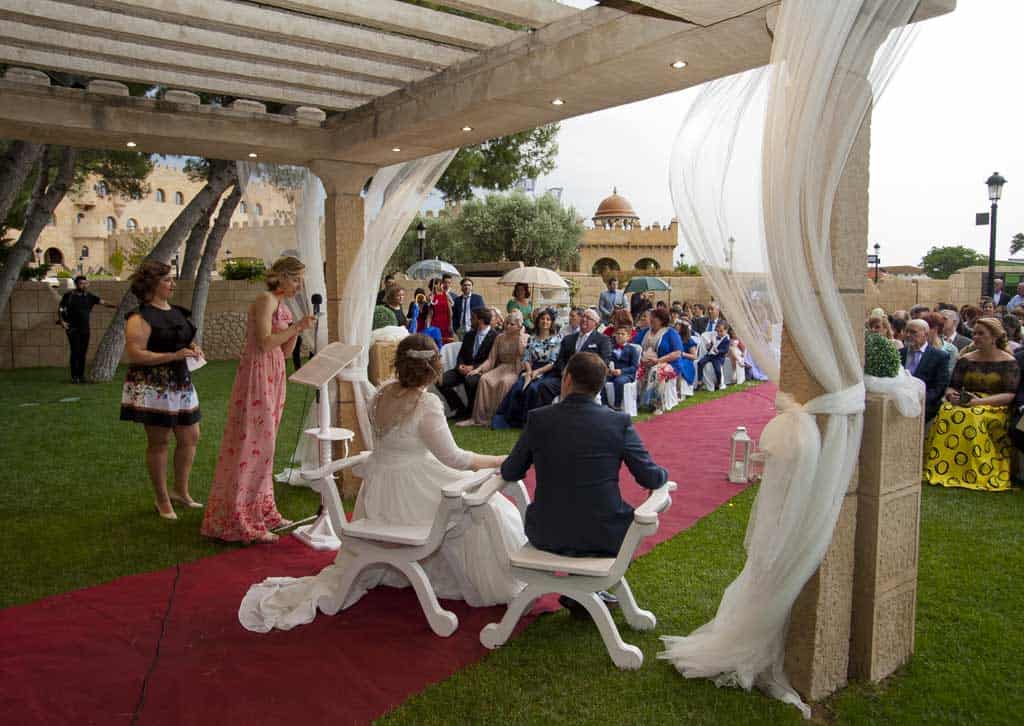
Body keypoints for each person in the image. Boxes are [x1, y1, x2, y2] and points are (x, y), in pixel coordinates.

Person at [239, 334, 527, 633]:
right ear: (434, 369)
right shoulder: (426, 404)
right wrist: (496, 459)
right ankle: (488, 580)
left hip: (379, 489)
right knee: (487, 506)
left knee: (472, 500)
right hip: (409, 491)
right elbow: (454, 458)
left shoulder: (382, 393)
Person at [500, 351, 668, 558]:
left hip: (547, 533)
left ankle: (574, 591)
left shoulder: (539, 419)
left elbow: (510, 471)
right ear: (600, 385)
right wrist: (664, 475)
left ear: (567, 379)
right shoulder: (618, 422)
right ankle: (580, 591)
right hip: (605, 535)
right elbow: (650, 476)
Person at [202, 257, 316, 543]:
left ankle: (263, 508)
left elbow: (285, 351)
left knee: (267, 444)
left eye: (301, 279)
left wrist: (297, 330)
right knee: (254, 442)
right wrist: (295, 326)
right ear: (280, 277)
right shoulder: (265, 300)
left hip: (275, 370)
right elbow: (264, 342)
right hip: (257, 370)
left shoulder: (284, 306)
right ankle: (240, 515)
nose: (299, 284)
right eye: (296, 278)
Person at [120, 261, 203, 520]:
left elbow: (184, 337)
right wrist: (174, 355)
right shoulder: (139, 317)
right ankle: (162, 497)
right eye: (167, 280)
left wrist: (194, 346)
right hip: (154, 385)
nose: (172, 283)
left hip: (180, 382)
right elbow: (135, 354)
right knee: (160, 441)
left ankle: (181, 491)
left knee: (191, 436)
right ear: (153, 284)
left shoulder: (177, 311)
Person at [924, 318, 1019, 491]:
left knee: (973, 416)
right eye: (974, 333)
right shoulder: (966, 359)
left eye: (981, 333)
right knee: (946, 411)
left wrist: (979, 401)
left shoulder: (1008, 362)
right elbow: (952, 386)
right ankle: (945, 467)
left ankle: (977, 470)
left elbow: (1010, 394)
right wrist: (952, 396)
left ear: (994, 337)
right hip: (967, 401)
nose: (975, 337)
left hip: (994, 406)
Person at [526, 308, 612, 411]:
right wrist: (565, 372)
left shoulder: (602, 340)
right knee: (544, 386)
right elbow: (560, 361)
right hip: (566, 378)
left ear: (596, 323)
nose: (584, 319)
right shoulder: (568, 339)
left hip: (587, 381)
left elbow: (603, 363)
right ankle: (545, 418)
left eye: (588, 318)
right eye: (583, 316)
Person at [459, 310, 528, 427]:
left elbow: (522, 354)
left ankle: (496, 418)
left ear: (519, 326)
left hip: (515, 369)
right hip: (501, 367)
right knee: (484, 379)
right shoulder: (500, 337)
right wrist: (478, 370)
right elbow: (491, 359)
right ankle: (477, 418)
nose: (508, 326)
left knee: (504, 382)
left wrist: (520, 335)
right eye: (507, 323)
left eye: (512, 324)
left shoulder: (525, 337)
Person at [495, 307, 561, 429]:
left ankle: (528, 422)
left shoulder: (557, 339)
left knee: (533, 389)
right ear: (538, 321)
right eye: (542, 319)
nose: (545, 321)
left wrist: (537, 372)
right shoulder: (532, 338)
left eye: (548, 319)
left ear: (551, 322)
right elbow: (526, 358)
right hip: (530, 368)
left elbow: (553, 362)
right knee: (518, 387)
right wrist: (530, 371)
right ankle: (512, 421)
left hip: (547, 371)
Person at [437, 307, 496, 420]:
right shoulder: (469, 335)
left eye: (472, 318)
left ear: (481, 320)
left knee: (470, 380)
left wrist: (473, 368)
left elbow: (492, 359)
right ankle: (460, 408)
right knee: (440, 381)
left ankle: (471, 412)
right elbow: (461, 354)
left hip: (481, 371)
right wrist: (460, 366)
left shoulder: (495, 337)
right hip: (463, 369)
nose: (470, 321)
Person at [57, 275, 114, 383]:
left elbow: (103, 302)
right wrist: (62, 321)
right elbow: (60, 308)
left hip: (85, 329)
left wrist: (117, 306)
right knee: (75, 352)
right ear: (76, 284)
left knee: (83, 353)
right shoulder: (69, 296)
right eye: (81, 283)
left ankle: (81, 376)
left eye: (85, 283)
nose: (83, 285)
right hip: (72, 328)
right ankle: (74, 377)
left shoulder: (89, 296)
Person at [635, 308, 686, 415]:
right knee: (636, 371)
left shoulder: (671, 333)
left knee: (657, 371)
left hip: (669, 363)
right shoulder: (645, 332)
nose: (651, 319)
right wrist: (641, 359)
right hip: (646, 362)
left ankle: (657, 404)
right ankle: (639, 401)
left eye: (654, 318)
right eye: (651, 317)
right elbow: (635, 346)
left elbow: (677, 353)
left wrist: (658, 361)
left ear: (661, 320)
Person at [900, 319, 950, 423]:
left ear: (926, 335)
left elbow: (939, 387)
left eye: (913, 332)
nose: (908, 335)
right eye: (906, 331)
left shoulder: (939, 356)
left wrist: (918, 401)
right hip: (899, 405)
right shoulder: (899, 354)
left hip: (926, 408)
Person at [603, 326, 639, 410]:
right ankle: (605, 403)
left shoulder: (632, 349)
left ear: (628, 337)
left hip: (627, 374)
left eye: (623, 334)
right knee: (601, 380)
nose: (619, 336)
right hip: (612, 373)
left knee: (619, 381)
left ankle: (617, 405)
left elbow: (634, 367)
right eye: (618, 334)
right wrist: (608, 370)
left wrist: (621, 371)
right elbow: (607, 361)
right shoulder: (611, 348)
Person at [696, 320, 731, 391]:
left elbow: (726, 350)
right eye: (718, 331)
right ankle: (700, 381)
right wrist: (708, 347)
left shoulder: (726, 339)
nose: (719, 333)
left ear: (726, 331)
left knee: (718, 369)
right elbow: (711, 345)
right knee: (700, 362)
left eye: (721, 331)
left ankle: (719, 383)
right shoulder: (714, 335)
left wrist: (719, 351)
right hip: (711, 355)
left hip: (718, 357)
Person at [923, 312, 958, 381]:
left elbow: (949, 375)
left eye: (925, 328)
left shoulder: (951, 350)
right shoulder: (919, 347)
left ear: (935, 328)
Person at [429, 277, 454, 343]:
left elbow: (450, 311)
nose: (442, 285)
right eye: (435, 284)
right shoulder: (431, 297)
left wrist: (450, 324)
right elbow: (430, 314)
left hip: (446, 323)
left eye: (439, 284)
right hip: (435, 323)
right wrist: (428, 328)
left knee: (446, 342)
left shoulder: (445, 295)